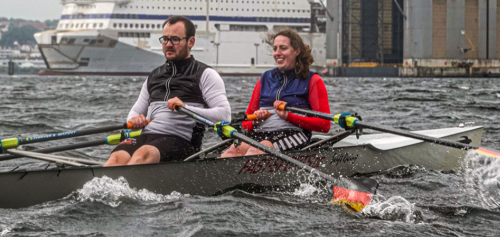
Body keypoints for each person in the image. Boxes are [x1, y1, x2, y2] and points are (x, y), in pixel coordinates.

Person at [104, 16, 231, 166]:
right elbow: (135, 112)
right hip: (148, 135)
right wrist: (135, 120)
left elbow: (225, 115)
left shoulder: (205, 74)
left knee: (143, 154)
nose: (168, 44)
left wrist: (185, 108)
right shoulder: (154, 76)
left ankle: (126, 188)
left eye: (175, 40)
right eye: (165, 39)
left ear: (190, 42)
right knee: (116, 158)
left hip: (182, 141)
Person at [221, 28, 330, 157]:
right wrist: (256, 120)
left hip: (294, 133)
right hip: (261, 132)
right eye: (274, 49)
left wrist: (288, 116)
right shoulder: (265, 78)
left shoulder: (312, 80)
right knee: (231, 152)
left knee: (254, 152)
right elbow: (246, 123)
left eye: (283, 48)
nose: (277, 53)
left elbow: (324, 125)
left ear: (296, 51)